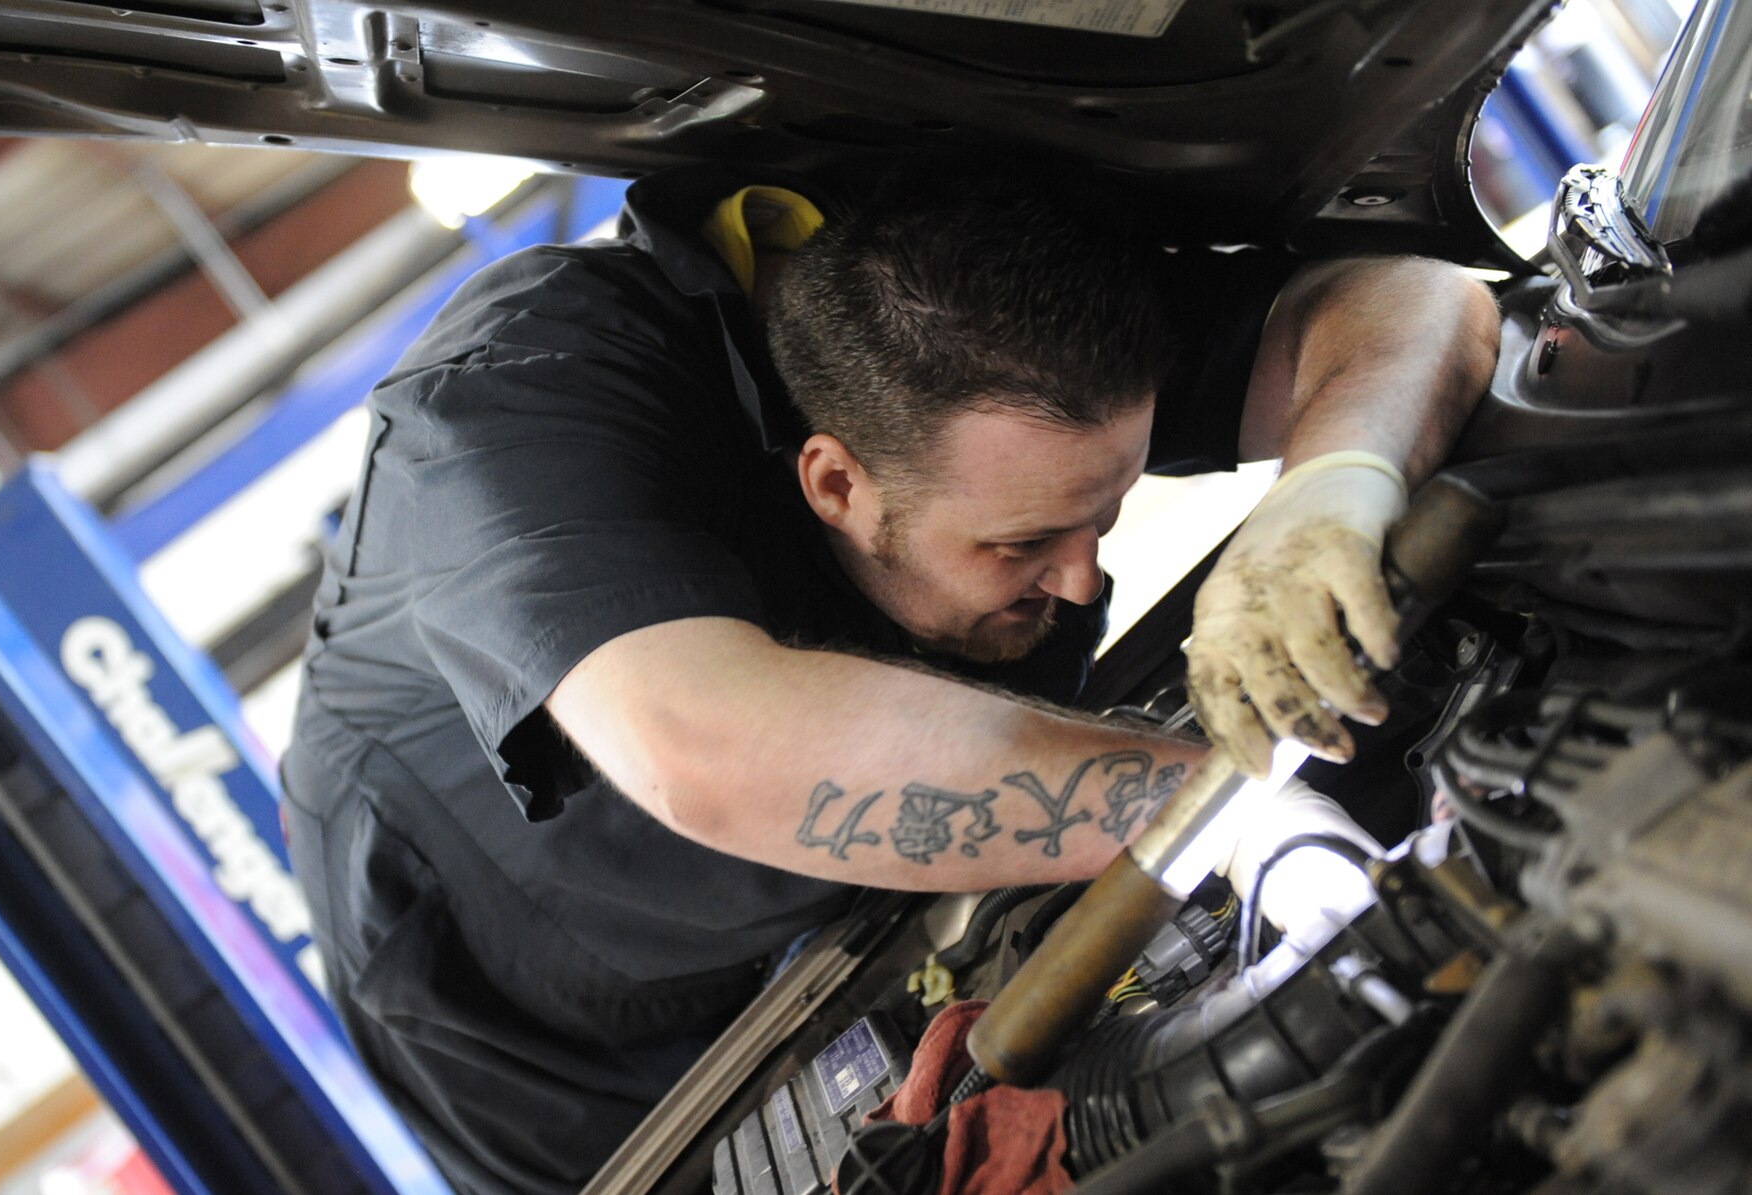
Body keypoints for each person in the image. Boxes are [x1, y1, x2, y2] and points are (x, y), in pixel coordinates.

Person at [279, 157, 1499, 1195]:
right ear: (831, 482)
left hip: (850, 908)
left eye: (1106, 516)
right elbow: (706, 746)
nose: (1081, 580)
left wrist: (1334, 486)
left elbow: (1412, 299)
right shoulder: (511, 409)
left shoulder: (979, 328)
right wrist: (1232, 811)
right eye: (1022, 545)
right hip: (566, 1049)